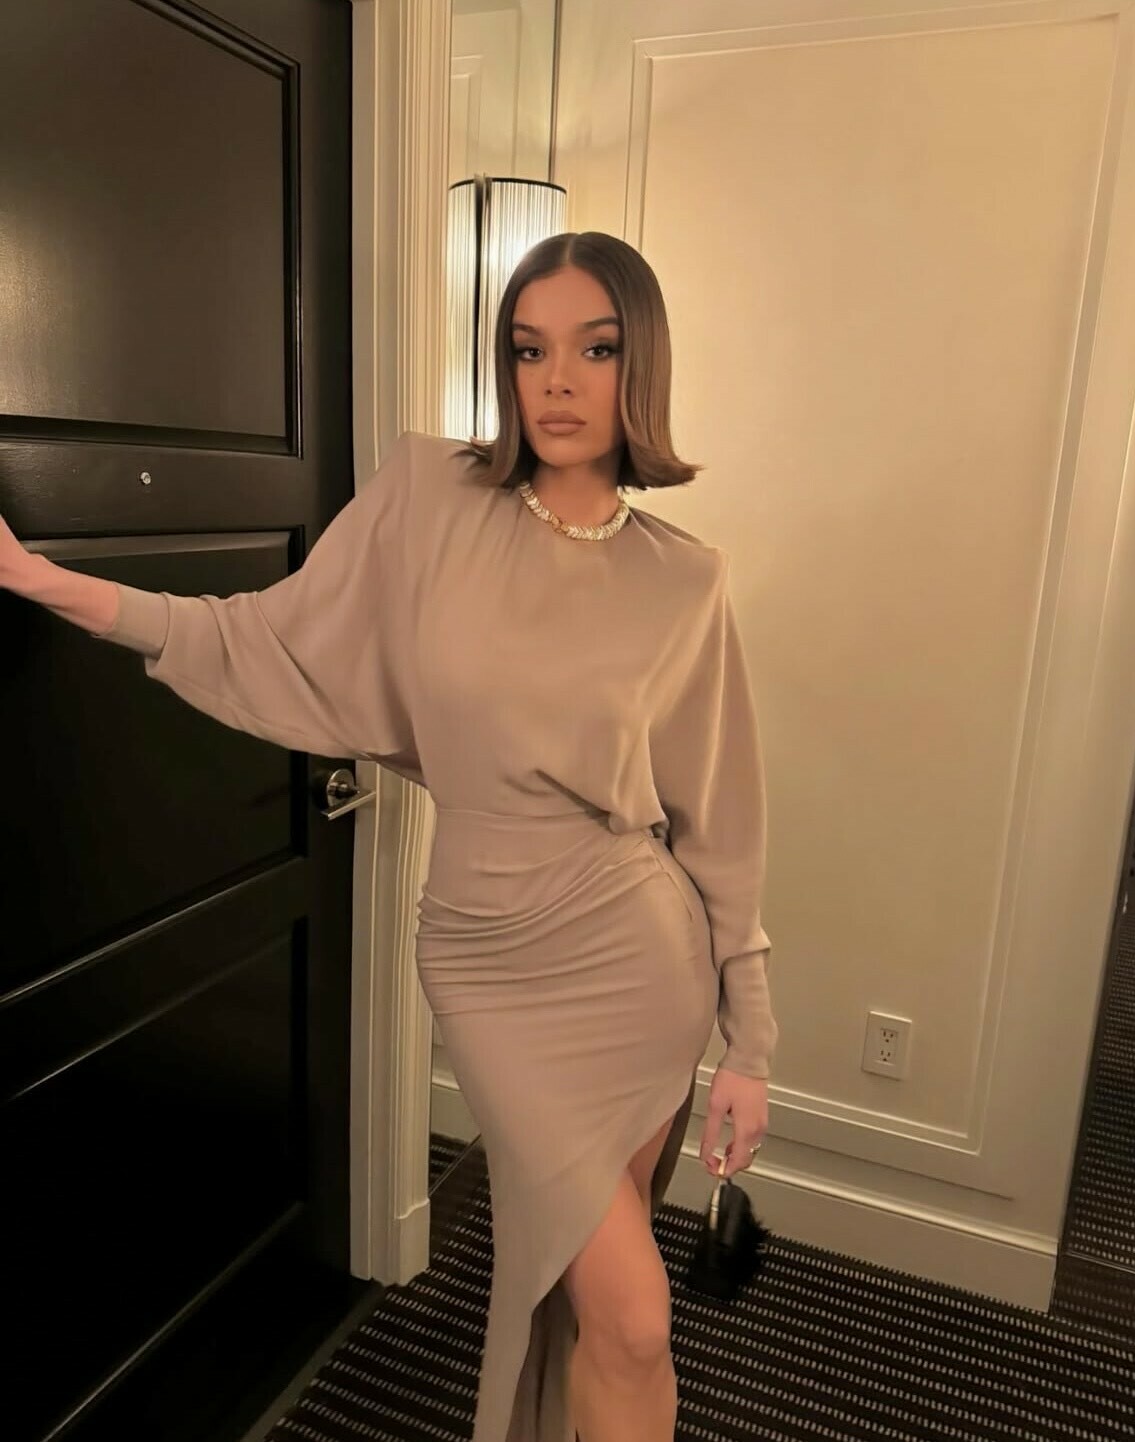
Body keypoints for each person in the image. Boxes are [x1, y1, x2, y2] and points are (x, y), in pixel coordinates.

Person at [0, 231, 779, 1442]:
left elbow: (719, 816)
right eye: (528, 349)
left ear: (644, 365)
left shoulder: (688, 579)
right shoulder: (430, 496)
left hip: (641, 959)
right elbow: (258, 637)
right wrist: (43, 580)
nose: (557, 380)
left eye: (595, 348)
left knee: (614, 1318)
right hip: (486, 955)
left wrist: (751, 1038)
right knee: (627, 1306)